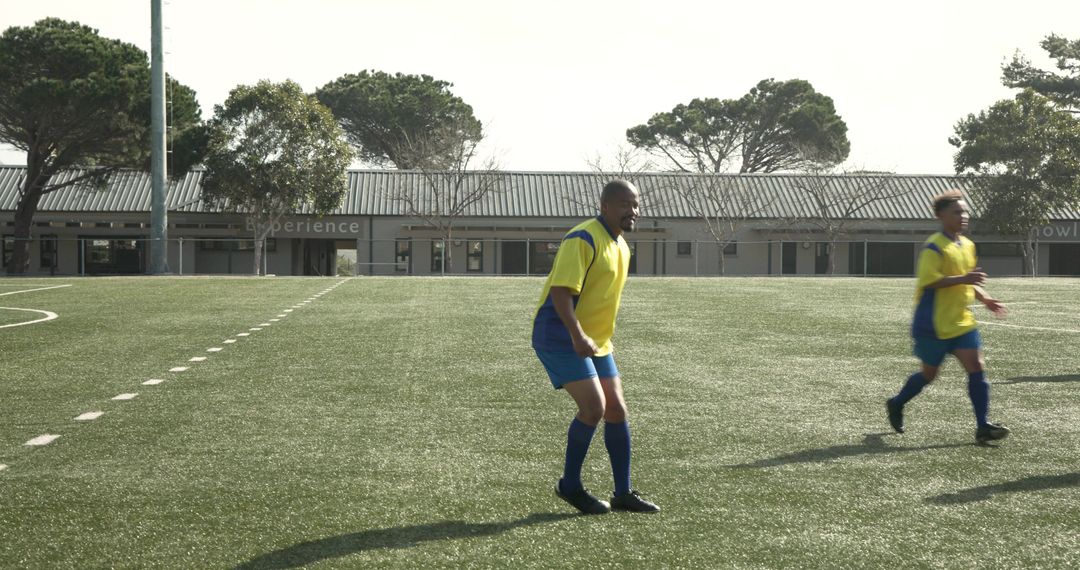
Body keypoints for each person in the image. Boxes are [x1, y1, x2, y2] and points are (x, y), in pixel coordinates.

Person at [531, 179, 659, 514]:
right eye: (623, 204)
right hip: (561, 334)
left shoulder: (622, 246)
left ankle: (622, 493)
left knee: (616, 409)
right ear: (604, 206)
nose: (631, 211)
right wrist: (577, 335)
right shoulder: (583, 237)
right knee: (594, 408)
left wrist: (593, 337)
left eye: (635, 204)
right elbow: (561, 292)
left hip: (596, 340)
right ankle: (569, 485)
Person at [886, 190, 1010, 443]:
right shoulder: (934, 246)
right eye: (957, 212)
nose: (963, 216)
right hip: (932, 324)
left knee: (976, 368)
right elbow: (930, 281)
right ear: (941, 216)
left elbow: (968, 280)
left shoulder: (968, 245)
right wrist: (966, 279)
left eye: (965, 212)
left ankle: (982, 426)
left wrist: (985, 298)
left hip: (962, 322)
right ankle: (897, 403)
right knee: (929, 375)